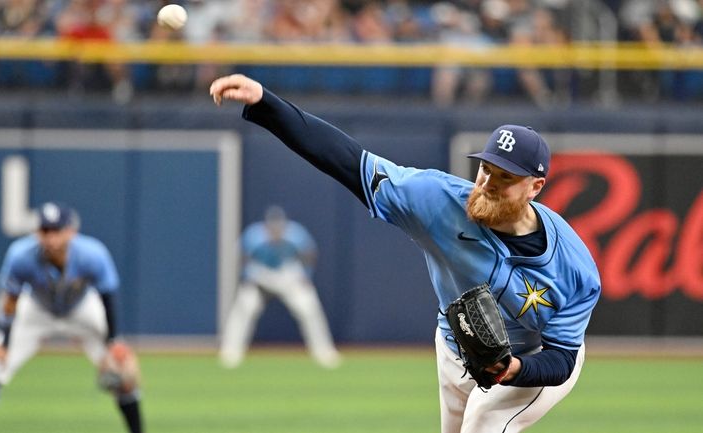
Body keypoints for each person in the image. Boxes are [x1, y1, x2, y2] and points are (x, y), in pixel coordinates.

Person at [209, 74, 601, 432]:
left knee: (484, 423)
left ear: (536, 187)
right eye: (486, 170)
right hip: (454, 347)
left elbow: (562, 358)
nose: (489, 184)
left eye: (506, 178)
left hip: (532, 362)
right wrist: (266, 104)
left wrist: (513, 369)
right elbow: (346, 160)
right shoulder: (438, 200)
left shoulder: (574, 268)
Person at [0, 202, 143, 433]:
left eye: (57, 231)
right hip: (37, 309)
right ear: (37, 233)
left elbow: (107, 297)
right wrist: (4, 343)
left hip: (81, 308)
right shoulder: (21, 255)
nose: (51, 239)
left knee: (121, 369)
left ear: (71, 231)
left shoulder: (92, 253)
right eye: (45, 231)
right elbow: (10, 301)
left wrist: (113, 341)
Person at [219, 205, 341, 369]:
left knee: (308, 307)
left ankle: (324, 352)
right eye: (272, 228)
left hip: (287, 275)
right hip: (260, 276)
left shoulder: (296, 234)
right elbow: (242, 256)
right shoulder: (254, 235)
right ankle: (230, 353)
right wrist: (246, 276)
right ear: (267, 226)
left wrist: (306, 275)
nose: (276, 231)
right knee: (245, 307)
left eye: (279, 227)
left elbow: (309, 254)